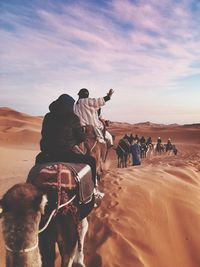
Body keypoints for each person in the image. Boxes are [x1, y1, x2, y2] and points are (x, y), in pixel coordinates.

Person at [35, 94, 104, 198]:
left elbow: (44, 133)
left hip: (46, 154)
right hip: (65, 154)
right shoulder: (73, 118)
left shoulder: (48, 116)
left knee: (37, 162)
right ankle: (93, 190)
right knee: (91, 161)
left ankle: (32, 186)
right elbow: (81, 137)